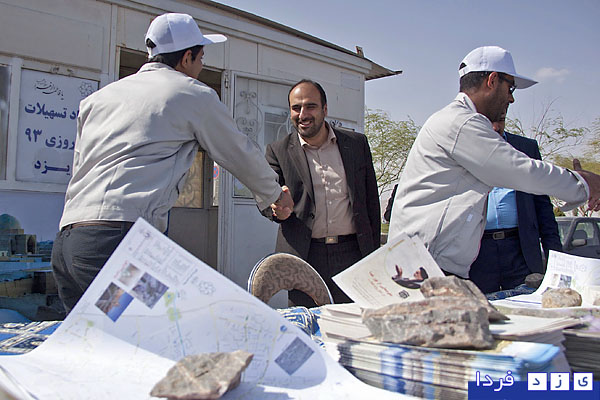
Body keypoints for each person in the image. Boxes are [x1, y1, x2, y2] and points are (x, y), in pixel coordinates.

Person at [51, 13, 293, 313]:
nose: (201, 67)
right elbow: (237, 151)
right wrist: (275, 195)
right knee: (148, 327)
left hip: (68, 244)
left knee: (91, 335)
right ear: (187, 57)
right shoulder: (191, 94)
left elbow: (80, 165)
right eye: (201, 58)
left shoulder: (98, 99)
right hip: (119, 245)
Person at [389, 45, 600, 279]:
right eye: (510, 88)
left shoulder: (455, 120)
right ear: (492, 80)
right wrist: (584, 184)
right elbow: (521, 171)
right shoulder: (461, 123)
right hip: (425, 266)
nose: (511, 98)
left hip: (426, 262)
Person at [262, 79, 380, 306]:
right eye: (296, 108)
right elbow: (266, 196)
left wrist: (374, 257)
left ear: (325, 109)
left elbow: (371, 203)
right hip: (305, 257)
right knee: (307, 323)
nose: (303, 114)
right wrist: (276, 209)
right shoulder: (278, 151)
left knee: (352, 322)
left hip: (353, 255)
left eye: (310, 106)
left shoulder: (356, 145)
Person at [469, 116, 562, 293]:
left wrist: (556, 261)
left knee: (527, 305)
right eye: (488, 121)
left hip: (521, 250)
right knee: (481, 307)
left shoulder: (525, 148)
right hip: (478, 252)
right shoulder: (462, 149)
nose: (495, 127)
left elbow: (543, 209)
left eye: (500, 120)